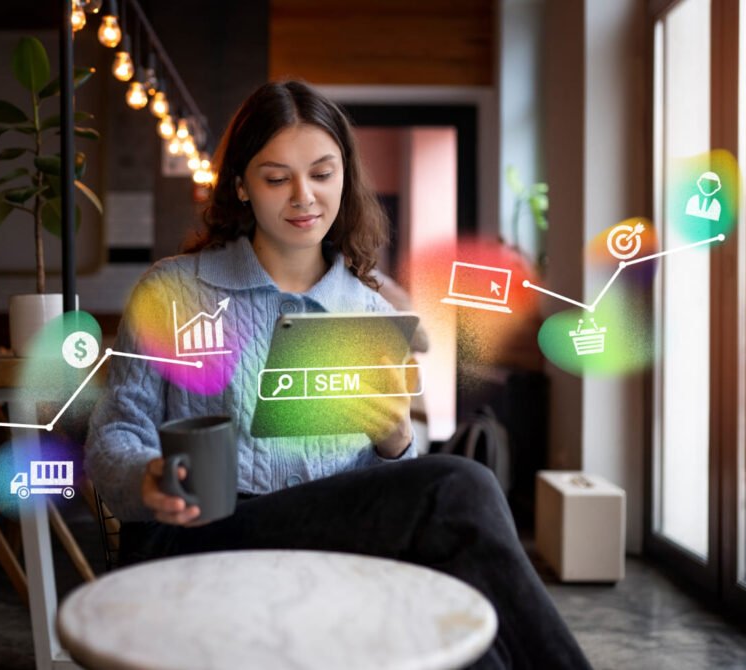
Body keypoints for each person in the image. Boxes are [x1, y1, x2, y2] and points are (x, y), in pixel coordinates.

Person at [85, 80, 591, 669]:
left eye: (322, 174)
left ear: (345, 177)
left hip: (325, 540)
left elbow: (380, 483)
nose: (304, 196)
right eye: (277, 178)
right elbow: (112, 436)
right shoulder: (174, 290)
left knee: (476, 652)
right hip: (200, 534)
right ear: (242, 186)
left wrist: (396, 443)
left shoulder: (370, 311)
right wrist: (148, 478)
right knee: (462, 488)